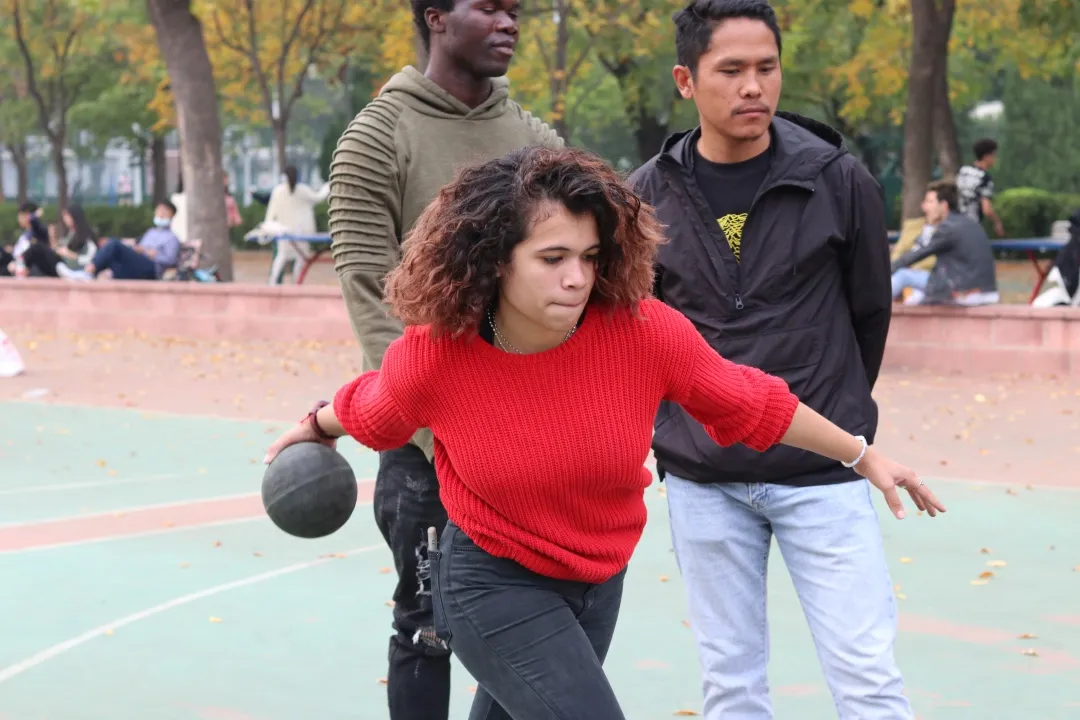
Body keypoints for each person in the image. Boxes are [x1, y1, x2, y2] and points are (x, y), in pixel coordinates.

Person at [265, 146, 944, 720]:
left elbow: (751, 402)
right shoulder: (438, 355)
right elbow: (374, 410)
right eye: (553, 257)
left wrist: (862, 456)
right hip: (490, 583)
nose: (577, 278)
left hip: (595, 580)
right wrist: (313, 428)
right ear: (495, 259)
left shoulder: (644, 334)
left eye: (590, 256)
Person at [627, 1, 921, 717]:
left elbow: (869, 315)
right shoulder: (645, 196)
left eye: (767, 67)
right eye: (731, 70)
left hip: (825, 471)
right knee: (731, 686)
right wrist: (676, 430)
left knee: (868, 679)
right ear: (686, 81)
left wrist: (834, 413)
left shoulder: (838, 180)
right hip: (703, 478)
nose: (753, 86)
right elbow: (638, 332)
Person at [327, 1, 561, 717]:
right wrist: (438, 429)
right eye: (489, 7)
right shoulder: (376, 137)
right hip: (427, 447)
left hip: (527, 435)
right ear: (435, 16)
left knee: (525, 627)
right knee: (425, 630)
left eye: (515, 10)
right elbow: (370, 293)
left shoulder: (534, 138)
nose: (508, 22)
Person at [892, 180, 1000, 306]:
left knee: (903, 276)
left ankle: (872, 308)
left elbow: (917, 254)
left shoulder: (947, 227)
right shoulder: (971, 223)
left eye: (930, 202)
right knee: (915, 301)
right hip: (987, 291)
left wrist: (888, 269)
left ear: (943, 205)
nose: (925, 208)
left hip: (963, 291)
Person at [264, 165, 329, 285]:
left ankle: (272, 283)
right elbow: (318, 197)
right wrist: (327, 187)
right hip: (303, 232)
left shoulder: (278, 191)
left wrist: (268, 226)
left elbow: (270, 214)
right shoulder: (302, 190)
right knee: (301, 258)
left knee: (282, 256)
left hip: (285, 232)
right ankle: (296, 284)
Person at [85, 201, 181, 280]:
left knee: (114, 244)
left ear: (171, 215)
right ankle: (90, 274)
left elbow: (171, 260)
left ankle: (88, 271)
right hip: (137, 262)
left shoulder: (172, 238)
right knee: (112, 251)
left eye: (164, 212)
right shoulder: (151, 232)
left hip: (151, 267)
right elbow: (136, 243)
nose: (160, 214)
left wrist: (151, 253)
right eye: (159, 211)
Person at [956, 137, 1005, 237]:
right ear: (987, 156)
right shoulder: (985, 178)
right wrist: (997, 222)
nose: (995, 158)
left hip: (956, 221)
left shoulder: (963, 171)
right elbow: (987, 209)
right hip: (972, 225)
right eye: (994, 155)